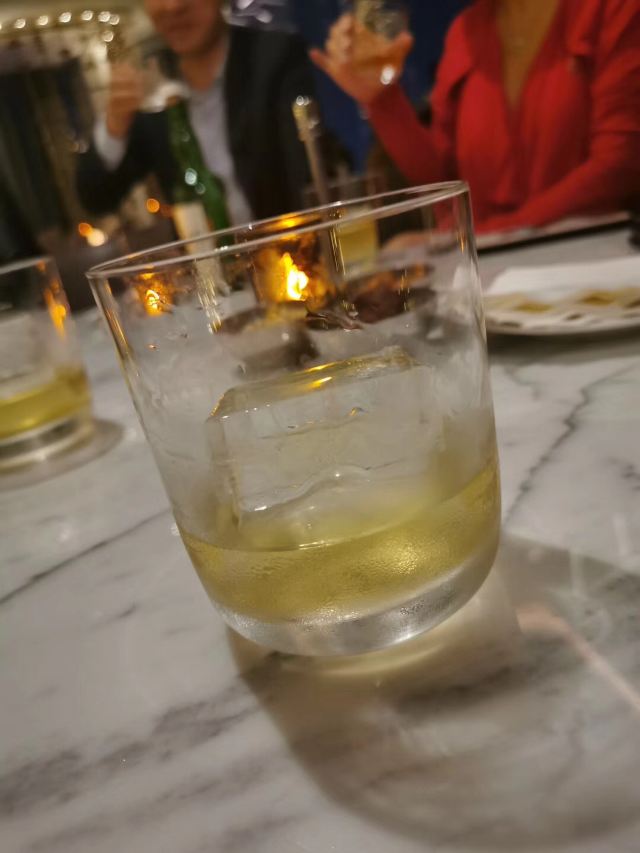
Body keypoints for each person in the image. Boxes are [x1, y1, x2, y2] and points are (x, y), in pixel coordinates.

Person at [311, 0, 640, 232]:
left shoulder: (611, 9)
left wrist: (479, 237)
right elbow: (442, 179)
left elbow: (618, 167)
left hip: (599, 273)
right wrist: (382, 99)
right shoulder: (466, 32)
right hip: (498, 282)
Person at [77, 0, 324, 224]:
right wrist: (115, 124)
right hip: (203, 257)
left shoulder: (276, 58)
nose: (172, 6)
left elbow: (311, 173)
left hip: (290, 249)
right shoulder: (153, 83)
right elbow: (95, 198)